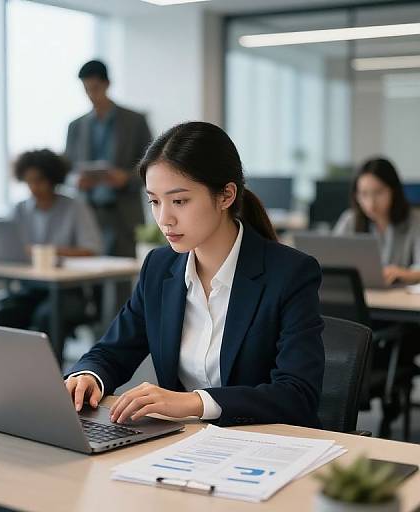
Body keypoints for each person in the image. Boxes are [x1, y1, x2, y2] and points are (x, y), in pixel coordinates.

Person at [64, 121, 325, 428]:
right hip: (183, 448)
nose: (164, 219)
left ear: (226, 195)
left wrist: (195, 401)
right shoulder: (159, 268)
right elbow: (112, 350)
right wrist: (87, 375)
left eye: (180, 201)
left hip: (263, 447)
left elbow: (297, 396)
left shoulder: (290, 274)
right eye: (154, 201)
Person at [0, 149, 103, 353]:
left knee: (47, 316)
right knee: (1, 314)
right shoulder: (20, 209)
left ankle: (49, 379)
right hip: (30, 289)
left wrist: (46, 252)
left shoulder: (75, 207)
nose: (34, 187)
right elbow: (10, 246)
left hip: (69, 293)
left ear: (52, 179)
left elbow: (92, 250)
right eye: (29, 181)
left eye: (39, 181)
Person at [65, 59, 152, 258]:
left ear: (107, 84)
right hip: (89, 211)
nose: (91, 95)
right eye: (86, 89)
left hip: (123, 212)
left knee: (122, 279)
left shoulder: (135, 121)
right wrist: (75, 180)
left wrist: (126, 177)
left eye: (95, 88)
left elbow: (152, 166)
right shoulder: (76, 126)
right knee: (88, 280)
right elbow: (67, 169)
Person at [334, 157, 420, 285]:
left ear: (394, 191)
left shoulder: (415, 221)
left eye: (378, 192)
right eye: (363, 194)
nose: (371, 203)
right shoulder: (349, 220)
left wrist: (404, 274)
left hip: (401, 299)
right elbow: (332, 259)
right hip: (362, 294)